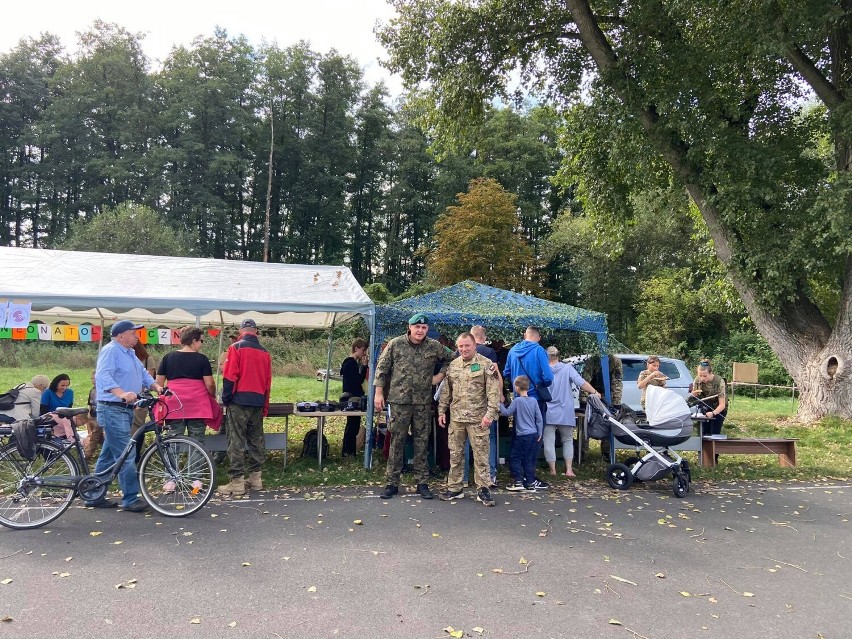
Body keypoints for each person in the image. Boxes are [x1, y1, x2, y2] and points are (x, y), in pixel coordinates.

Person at [374, 312, 453, 500]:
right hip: (399, 401)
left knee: (421, 442)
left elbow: (452, 358)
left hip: (422, 402)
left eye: (424, 328)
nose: (420, 330)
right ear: (409, 327)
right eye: (417, 327)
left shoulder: (434, 346)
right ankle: (392, 483)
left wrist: (440, 376)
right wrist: (378, 393)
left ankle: (422, 482)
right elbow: (382, 369)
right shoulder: (395, 344)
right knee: (397, 442)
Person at [90, 319, 164, 511]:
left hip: (124, 410)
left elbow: (143, 374)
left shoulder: (130, 353)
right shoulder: (110, 351)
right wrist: (121, 393)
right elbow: (103, 376)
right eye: (133, 333)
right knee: (126, 454)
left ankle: (93, 494)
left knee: (108, 455)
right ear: (121, 335)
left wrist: (156, 386)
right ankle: (130, 499)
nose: (136, 337)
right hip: (113, 407)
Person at [437, 332, 501, 505]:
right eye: (460, 346)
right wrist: (441, 411)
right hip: (456, 419)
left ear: (474, 345)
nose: (464, 349)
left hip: (478, 419)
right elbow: (446, 391)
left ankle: (483, 490)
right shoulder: (453, 365)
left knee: (481, 456)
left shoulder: (486, 365)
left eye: (467, 345)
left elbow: (494, 393)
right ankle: (455, 488)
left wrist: (490, 415)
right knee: (455, 454)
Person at [218, 319, 273, 497]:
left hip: (239, 400)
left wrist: (226, 398)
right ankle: (256, 479)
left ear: (241, 331)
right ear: (256, 331)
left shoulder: (236, 348)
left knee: (236, 440)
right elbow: (267, 383)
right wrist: (265, 405)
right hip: (257, 400)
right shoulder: (265, 353)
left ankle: (237, 483)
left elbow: (230, 376)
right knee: (256, 440)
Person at [156, 327, 219, 445]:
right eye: (201, 341)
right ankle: (195, 464)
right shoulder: (202, 359)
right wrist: (212, 395)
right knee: (197, 442)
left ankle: (172, 464)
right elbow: (210, 384)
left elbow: (159, 383)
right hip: (197, 405)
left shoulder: (168, 357)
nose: (201, 344)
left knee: (173, 440)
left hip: (174, 403)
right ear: (194, 340)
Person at [544, 346, 600, 477]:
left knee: (548, 441)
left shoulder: (543, 370)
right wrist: (594, 392)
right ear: (558, 355)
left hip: (548, 411)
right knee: (568, 440)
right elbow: (581, 383)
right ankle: (569, 470)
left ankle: (552, 471)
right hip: (565, 410)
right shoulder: (567, 368)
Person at [463, 325, 500, 486]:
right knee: (488, 439)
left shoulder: (460, 352)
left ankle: (463, 477)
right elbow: (496, 376)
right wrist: (500, 396)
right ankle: (490, 475)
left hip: (465, 403)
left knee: (464, 440)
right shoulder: (490, 353)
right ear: (484, 338)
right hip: (484, 403)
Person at [499, 376, 545, 492]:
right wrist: (540, 432)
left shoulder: (517, 401)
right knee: (528, 459)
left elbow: (506, 413)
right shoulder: (534, 401)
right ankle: (530, 483)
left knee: (515, 457)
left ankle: (518, 481)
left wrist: (499, 403)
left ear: (517, 388)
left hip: (522, 435)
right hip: (533, 434)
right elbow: (539, 419)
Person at [503, 326, 553, 425]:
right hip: (536, 398)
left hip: (518, 399)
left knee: (519, 432)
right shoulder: (539, 350)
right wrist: (541, 385)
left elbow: (506, 373)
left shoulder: (512, 351)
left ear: (525, 335)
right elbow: (548, 377)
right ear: (539, 338)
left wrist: (516, 384)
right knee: (536, 432)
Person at [581, 353, 623, 460]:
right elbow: (585, 380)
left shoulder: (615, 361)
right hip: (592, 394)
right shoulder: (592, 361)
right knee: (586, 424)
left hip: (608, 397)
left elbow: (617, 382)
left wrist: (616, 402)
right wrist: (584, 400)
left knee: (608, 423)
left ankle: (606, 453)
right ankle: (582, 453)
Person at [340, 338, 369, 458]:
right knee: (352, 426)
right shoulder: (350, 363)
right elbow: (357, 381)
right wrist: (364, 367)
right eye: (363, 350)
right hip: (351, 398)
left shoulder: (351, 363)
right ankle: (348, 452)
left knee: (353, 425)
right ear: (356, 348)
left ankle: (349, 451)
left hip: (352, 397)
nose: (364, 353)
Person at [690, 359, 727, 435]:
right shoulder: (697, 380)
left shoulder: (719, 382)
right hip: (705, 407)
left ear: (710, 373)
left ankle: (714, 446)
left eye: (705, 376)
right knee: (703, 433)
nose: (702, 378)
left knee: (714, 433)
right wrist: (694, 395)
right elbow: (694, 399)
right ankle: (703, 446)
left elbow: (722, 405)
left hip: (719, 408)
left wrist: (713, 413)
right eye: (700, 375)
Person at [131, 342, 157, 435]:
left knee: (137, 425)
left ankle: (139, 448)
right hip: (128, 395)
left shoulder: (147, 359)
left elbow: (148, 378)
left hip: (141, 395)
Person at [40, 373, 76, 440]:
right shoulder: (47, 392)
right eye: (62, 385)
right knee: (66, 421)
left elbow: (69, 408)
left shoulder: (70, 392)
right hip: (50, 417)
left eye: (67, 385)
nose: (64, 388)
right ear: (56, 384)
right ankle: (71, 438)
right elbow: (43, 410)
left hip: (64, 416)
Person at [80, 370, 104, 461]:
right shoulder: (92, 390)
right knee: (98, 435)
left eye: (95, 379)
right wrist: (89, 415)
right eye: (92, 379)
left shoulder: (103, 390)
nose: (93, 380)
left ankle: (87, 455)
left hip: (100, 415)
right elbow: (90, 403)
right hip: (93, 415)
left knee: (95, 436)